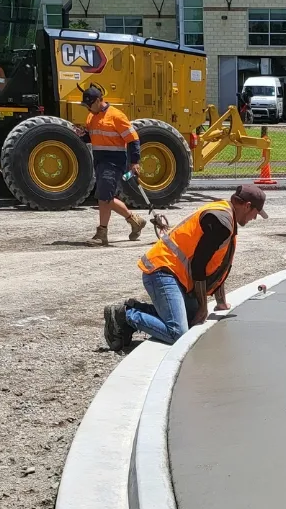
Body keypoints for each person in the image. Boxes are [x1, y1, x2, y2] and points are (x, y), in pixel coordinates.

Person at [103, 184, 269, 351]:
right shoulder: (221, 222)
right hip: (161, 271)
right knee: (178, 332)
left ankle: (136, 309)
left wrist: (221, 302)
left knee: (191, 318)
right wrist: (204, 307)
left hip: (174, 274)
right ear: (247, 206)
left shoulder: (226, 214)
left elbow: (218, 264)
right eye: (256, 213)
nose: (254, 218)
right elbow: (199, 265)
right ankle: (124, 315)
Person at [75, 85, 146, 245]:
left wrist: (135, 162)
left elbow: (133, 139)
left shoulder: (116, 116)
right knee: (106, 197)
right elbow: (92, 137)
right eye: (85, 105)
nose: (87, 108)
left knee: (104, 197)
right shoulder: (91, 117)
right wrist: (82, 135)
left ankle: (102, 234)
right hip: (99, 161)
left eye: (89, 105)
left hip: (114, 162)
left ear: (100, 100)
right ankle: (135, 221)